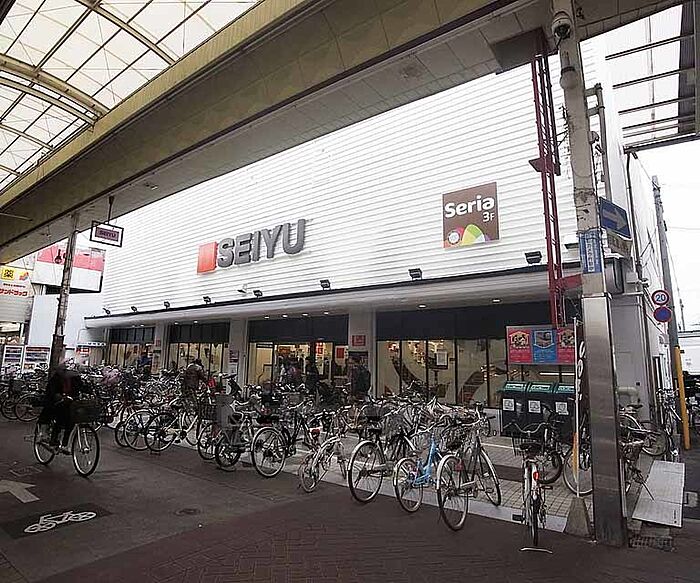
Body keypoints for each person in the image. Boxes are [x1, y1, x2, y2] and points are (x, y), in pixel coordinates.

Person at [38, 364, 83, 453]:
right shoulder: (56, 379)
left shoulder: (75, 379)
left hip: (70, 402)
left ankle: (65, 443)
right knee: (60, 418)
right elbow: (52, 391)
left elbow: (81, 387)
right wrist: (58, 396)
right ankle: (53, 439)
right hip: (57, 403)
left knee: (71, 421)